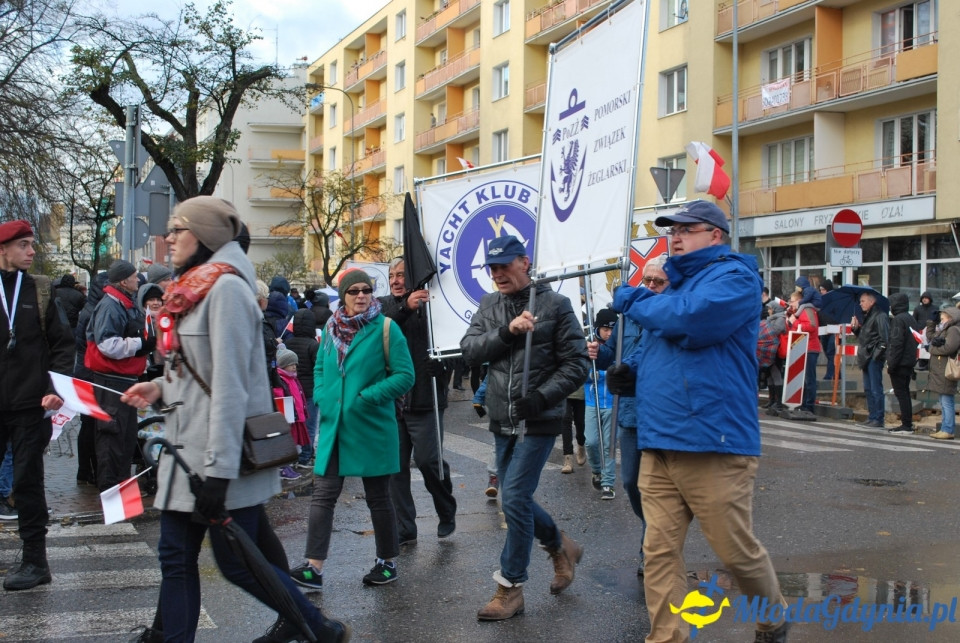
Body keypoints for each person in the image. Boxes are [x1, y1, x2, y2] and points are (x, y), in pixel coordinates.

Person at [120, 196, 349, 642]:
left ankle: (318, 628)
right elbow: (196, 373)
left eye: (178, 229)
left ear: (204, 236)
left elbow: (230, 385)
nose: (169, 238)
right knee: (175, 557)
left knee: (239, 566)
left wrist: (218, 475)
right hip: (187, 453)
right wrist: (159, 389)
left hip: (218, 459)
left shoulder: (225, 290)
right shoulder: (195, 286)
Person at [606, 200, 788, 642]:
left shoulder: (735, 278)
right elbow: (657, 345)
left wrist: (633, 297)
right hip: (660, 441)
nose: (676, 235)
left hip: (713, 442)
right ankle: (667, 637)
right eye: (672, 229)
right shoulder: (672, 288)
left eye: (688, 228)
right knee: (659, 552)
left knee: (734, 551)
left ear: (716, 236)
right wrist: (629, 371)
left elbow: (692, 323)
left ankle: (773, 618)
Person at [461, 235, 589, 621]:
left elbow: (577, 363)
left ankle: (510, 587)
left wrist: (542, 396)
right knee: (517, 498)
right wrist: (507, 332)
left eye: (504, 265)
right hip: (503, 418)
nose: (497, 274)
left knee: (513, 496)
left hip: (539, 417)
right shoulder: (489, 305)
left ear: (525, 262)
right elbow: (469, 349)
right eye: (492, 268)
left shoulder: (555, 305)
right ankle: (559, 545)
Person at [289, 268, 414, 590]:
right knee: (323, 494)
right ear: (343, 296)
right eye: (354, 291)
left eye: (366, 290)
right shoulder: (331, 327)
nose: (361, 296)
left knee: (378, 497)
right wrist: (323, 396)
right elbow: (319, 366)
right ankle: (314, 567)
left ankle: (387, 562)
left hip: (371, 425)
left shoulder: (386, 328)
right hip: (335, 427)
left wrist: (367, 396)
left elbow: (405, 375)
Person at [0, 220, 75, 591]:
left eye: (32, 244)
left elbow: (63, 344)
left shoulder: (40, 290)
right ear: (3, 250)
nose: (32, 251)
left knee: (27, 482)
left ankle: (35, 561)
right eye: (24, 245)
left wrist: (55, 387)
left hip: (32, 405)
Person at [589, 256, 669, 576]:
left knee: (657, 489)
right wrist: (599, 353)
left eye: (657, 282)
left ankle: (650, 547)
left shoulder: (669, 315)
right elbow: (615, 357)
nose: (649, 286)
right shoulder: (628, 316)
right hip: (631, 414)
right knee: (631, 482)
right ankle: (653, 531)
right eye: (646, 280)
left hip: (662, 415)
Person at [379, 257, 458, 546]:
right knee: (394, 468)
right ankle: (405, 527)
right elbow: (381, 328)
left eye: (401, 274)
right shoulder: (385, 306)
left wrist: (445, 366)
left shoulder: (433, 307)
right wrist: (405, 307)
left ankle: (446, 509)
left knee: (428, 461)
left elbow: (454, 344)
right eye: (392, 275)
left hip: (426, 400)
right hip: (394, 403)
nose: (396, 280)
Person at [86, 259, 154, 491]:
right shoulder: (110, 306)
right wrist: (141, 344)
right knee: (111, 439)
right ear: (124, 281)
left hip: (123, 380)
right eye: (135, 276)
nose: (138, 279)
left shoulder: (124, 303)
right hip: (111, 382)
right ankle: (111, 495)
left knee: (124, 440)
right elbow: (107, 344)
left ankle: (121, 495)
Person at [584, 307, 618, 499]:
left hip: (612, 402)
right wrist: (590, 374)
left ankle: (608, 484)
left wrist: (605, 374)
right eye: (605, 329)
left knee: (609, 445)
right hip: (592, 401)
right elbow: (579, 370)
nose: (609, 333)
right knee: (591, 442)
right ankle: (597, 470)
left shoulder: (618, 347)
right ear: (598, 329)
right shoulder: (590, 346)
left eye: (612, 329)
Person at [283, 309, 320, 469]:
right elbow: (319, 368)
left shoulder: (288, 344)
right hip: (309, 391)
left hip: (291, 390)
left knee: (293, 425)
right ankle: (306, 456)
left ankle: (292, 455)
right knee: (309, 425)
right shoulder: (313, 345)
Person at [852, 292, 889, 429]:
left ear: (871, 302)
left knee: (875, 389)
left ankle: (878, 418)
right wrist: (856, 329)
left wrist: (875, 356)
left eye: (863, 301)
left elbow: (884, 339)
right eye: (860, 301)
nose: (860, 303)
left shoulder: (880, 316)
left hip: (873, 357)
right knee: (868, 389)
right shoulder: (867, 316)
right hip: (866, 357)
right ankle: (872, 416)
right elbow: (865, 337)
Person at [886, 293, 920, 435]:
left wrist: (891, 364)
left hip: (899, 363)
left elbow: (896, 344)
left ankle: (906, 424)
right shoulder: (910, 318)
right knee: (905, 393)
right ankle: (907, 423)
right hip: (909, 361)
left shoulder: (898, 320)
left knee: (902, 394)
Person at [274, 349, 309, 481]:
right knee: (287, 443)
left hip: (295, 416)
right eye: (291, 364)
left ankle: (287, 465)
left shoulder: (293, 378)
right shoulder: (281, 379)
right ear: (283, 365)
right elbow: (280, 397)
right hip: (288, 417)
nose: (294, 366)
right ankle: (283, 468)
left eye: (295, 363)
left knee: (293, 443)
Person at [786, 288, 820, 419]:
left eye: (793, 301)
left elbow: (812, 326)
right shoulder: (798, 311)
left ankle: (809, 406)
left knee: (809, 379)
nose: (791, 304)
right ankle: (803, 404)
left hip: (810, 348)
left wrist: (796, 322)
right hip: (800, 347)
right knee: (802, 380)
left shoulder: (807, 310)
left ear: (800, 301)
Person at [926, 307, 960, 440]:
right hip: (941, 370)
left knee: (947, 401)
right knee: (943, 400)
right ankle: (945, 428)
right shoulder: (944, 329)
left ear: (951, 318)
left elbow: (949, 348)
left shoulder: (953, 330)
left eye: (942, 319)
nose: (941, 321)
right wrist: (931, 323)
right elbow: (930, 338)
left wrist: (932, 349)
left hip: (946, 370)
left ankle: (948, 429)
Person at [818, 279, 837, 381]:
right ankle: (837, 372)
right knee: (828, 352)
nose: (821, 292)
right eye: (820, 289)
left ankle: (829, 375)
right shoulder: (821, 300)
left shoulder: (835, 301)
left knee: (831, 352)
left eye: (823, 289)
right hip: (823, 330)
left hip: (833, 330)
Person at [913, 292, 936, 370]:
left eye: (926, 298)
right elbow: (914, 320)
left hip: (931, 332)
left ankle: (930, 365)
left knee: (929, 348)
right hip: (920, 332)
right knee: (921, 349)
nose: (924, 299)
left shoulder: (934, 308)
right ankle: (921, 364)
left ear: (930, 299)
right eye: (923, 298)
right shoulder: (917, 309)